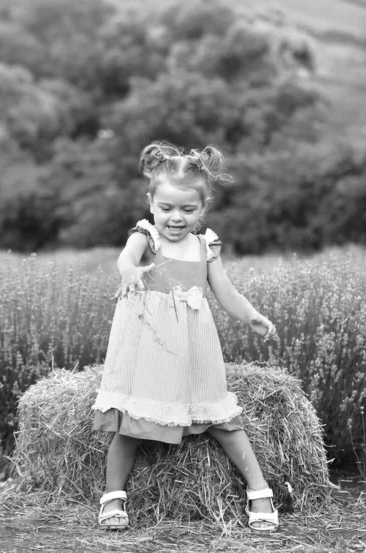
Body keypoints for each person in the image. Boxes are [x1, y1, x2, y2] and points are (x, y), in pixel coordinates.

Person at [91, 141, 279, 532]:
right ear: (150, 203)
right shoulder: (146, 237)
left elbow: (225, 291)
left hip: (193, 344)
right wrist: (129, 271)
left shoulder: (205, 246)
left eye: (187, 210)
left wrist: (252, 316)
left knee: (221, 417)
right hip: (148, 344)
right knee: (132, 423)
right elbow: (126, 257)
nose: (176, 218)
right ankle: (113, 496)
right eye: (166, 208)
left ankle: (259, 491)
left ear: (203, 209)